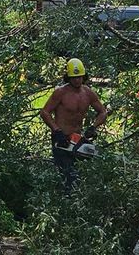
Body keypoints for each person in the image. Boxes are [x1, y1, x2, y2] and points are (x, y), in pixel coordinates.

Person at [40, 57, 107, 190]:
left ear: (84, 76)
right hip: (62, 139)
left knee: (86, 170)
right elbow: (45, 112)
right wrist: (56, 131)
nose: (77, 80)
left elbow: (103, 112)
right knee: (68, 176)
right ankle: (65, 200)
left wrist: (93, 127)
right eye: (74, 77)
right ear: (68, 78)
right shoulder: (60, 93)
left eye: (80, 77)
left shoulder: (88, 93)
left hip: (77, 138)